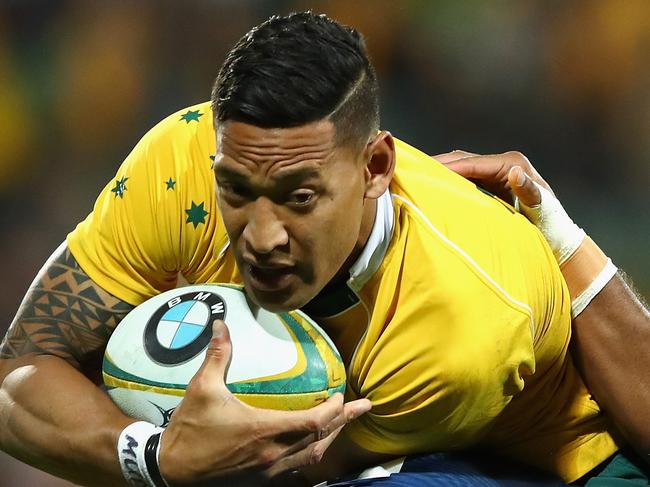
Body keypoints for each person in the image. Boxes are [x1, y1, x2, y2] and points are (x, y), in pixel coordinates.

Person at [0, 11, 647, 487]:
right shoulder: (178, 167)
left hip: (564, 461)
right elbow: (17, 377)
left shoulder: (456, 321)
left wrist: (172, 458)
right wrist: (149, 452)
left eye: (298, 198)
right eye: (237, 189)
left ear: (375, 168)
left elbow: (281, 471)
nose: (260, 235)